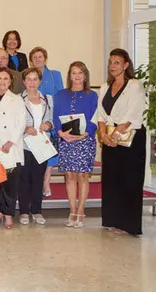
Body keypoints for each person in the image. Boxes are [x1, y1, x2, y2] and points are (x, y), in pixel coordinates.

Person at [98, 49, 146, 236]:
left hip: (130, 138)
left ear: (126, 65)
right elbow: (100, 115)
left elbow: (133, 114)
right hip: (110, 138)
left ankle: (129, 224)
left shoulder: (135, 85)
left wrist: (116, 134)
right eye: (111, 62)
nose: (112, 66)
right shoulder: (104, 87)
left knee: (129, 181)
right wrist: (103, 134)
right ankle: (112, 219)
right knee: (112, 180)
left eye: (117, 62)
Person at [53, 61, 98, 229]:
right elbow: (56, 116)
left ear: (85, 75)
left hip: (85, 140)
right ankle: (72, 211)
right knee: (69, 176)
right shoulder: (60, 94)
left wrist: (86, 133)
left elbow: (95, 116)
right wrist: (60, 132)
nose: (77, 76)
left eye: (80, 73)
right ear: (69, 76)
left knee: (83, 176)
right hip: (66, 140)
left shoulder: (92, 95)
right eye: (74, 73)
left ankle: (81, 211)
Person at [0, 67, 27, 229]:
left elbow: (21, 123)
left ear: (11, 81)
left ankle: (9, 214)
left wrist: (10, 141)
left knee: (10, 184)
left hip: (11, 147)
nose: (2, 82)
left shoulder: (17, 99)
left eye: (6, 79)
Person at [19, 68, 53, 225]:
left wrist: (48, 124)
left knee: (39, 179)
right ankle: (24, 211)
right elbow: (14, 122)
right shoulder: (18, 99)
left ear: (40, 81)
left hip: (42, 144)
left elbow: (53, 120)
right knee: (24, 179)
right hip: (25, 144)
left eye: (35, 79)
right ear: (24, 82)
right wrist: (25, 128)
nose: (32, 82)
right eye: (28, 79)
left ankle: (37, 211)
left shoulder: (48, 99)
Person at [29, 46, 63, 197]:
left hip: (50, 117)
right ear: (31, 60)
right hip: (32, 117)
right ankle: (34, 182)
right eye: (35, 57)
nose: (37, 59)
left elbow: (61, 95)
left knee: (50, 151)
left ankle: (46, 181)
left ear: (45, 59)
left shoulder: (55, 75)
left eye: (40, 57)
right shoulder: (28, 75)